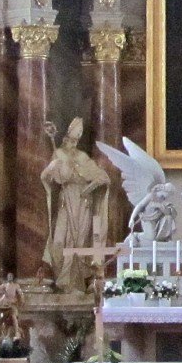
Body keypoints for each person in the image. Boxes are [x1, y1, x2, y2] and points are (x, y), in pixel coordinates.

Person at [40, 117, 110, 291]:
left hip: (83, 202)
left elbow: (99, 176)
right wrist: (49, 173)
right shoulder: (59, 154)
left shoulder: (83, 156)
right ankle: (61, 278)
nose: (76, 136)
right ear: (67, 133)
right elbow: (50, 177)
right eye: (74, 132)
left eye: (79, 134)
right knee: (59, 241)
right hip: (66, 200)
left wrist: (98, 182)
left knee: (80, 242)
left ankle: (78, 281)